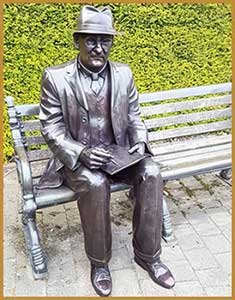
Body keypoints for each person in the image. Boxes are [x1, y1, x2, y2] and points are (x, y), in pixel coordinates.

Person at [39, 5, 175, 297]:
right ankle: (99, 262)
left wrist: (139, 140)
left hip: (117, 152)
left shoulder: (124, 74)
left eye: (105, 40)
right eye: (91, 40)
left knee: (152, 171)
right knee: (95, 183)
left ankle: (148, 255)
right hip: (79, 158)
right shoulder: (55, 77)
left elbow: (135, 115)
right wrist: (81, 152)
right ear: (77, 40)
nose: (99, 48)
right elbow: (51, 128)